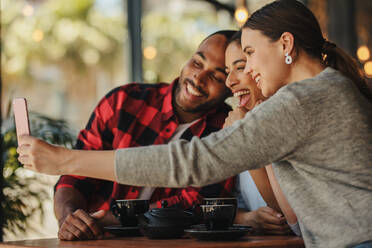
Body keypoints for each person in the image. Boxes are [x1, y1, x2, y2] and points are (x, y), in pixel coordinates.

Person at [17, 1, 372, 247]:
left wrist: (64, 160)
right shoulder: (323, 92)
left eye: (247, 55)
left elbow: (194, 163)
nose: (244, 71)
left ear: (286, 45)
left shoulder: (301, 100)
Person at [49, 30, 237, 241]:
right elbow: (75, 175)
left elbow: (198, 205)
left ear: (231, 87)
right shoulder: (122, 102)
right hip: (95, 242)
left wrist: (107, 220)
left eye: (216, 76)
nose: (199, 78)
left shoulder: (227, 130)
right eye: (197, 63)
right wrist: (69, 218)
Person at [224, 31, 300, 236]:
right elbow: (235, 203)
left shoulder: (291, 118)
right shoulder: (238, 120)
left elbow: (287, 216)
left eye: (240, 67)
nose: (229, 81)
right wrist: (248, 219)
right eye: (227, 71)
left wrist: (246, 139)